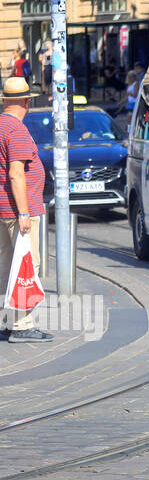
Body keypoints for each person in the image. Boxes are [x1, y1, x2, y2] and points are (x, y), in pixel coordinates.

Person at [0, 77, 51, 342]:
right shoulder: (16, 130)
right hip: (20, 210)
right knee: (26, 267)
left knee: (7, 266)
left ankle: (8, 322)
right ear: (26, 102)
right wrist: (23, 212)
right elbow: (16, 173)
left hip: (2, 208)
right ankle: (22, 325)